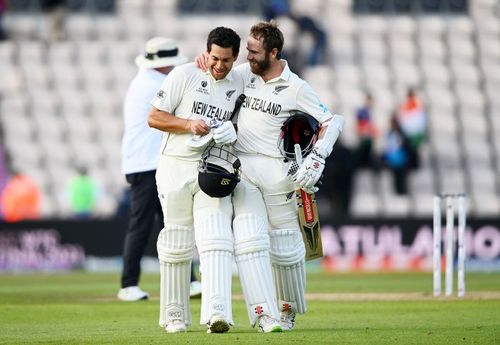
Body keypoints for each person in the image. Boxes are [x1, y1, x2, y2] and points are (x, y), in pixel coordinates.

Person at [197, 21, 344, 333]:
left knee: (287, 249)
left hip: (279, 175)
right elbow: (216, 73)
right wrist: (202, 61)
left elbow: (332, 120)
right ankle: (264, 313)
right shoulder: (243, 74)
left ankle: (288, 310)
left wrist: (318, 155)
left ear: (274, 52)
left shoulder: (296, 87)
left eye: (254, 51)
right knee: (250, 240)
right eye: (247, 50)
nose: (246, 56)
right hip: (244, 170)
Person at [147, 27, 243, 334]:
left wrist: (233, 131)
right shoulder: (184, 74)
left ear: (235, 58)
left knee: (216, 237)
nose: (219, 65)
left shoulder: (240, 80)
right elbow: (154, 117)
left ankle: (218, 310)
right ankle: (174, 314)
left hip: (211, 169)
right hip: (175, 166)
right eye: (214, 57)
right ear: (206, 52)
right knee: (177, 241)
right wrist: (188, 123)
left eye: (226, 60)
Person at [118, 37, 201, 302]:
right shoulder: (153, 83)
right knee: (143, 225)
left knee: (172, 222)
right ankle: (128, 284)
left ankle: (188, 281)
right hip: (147, 164)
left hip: (150, 162)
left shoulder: (148, 80)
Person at [396, 87, 426, 170]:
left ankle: (413, 164)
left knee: (413, 149)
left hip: (413, 131)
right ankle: (412, 164)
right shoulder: (408, 105)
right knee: (410, 148)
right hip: (411, 131)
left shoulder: (416, 105)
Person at [382, 114, 411, 195]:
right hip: (393, 161)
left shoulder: (402, 134)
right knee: (395, 179)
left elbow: (406, 147)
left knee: (402, 179)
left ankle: (402, 193)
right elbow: (387, 148)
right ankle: (397, 193)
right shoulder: (389, 134)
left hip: (401, 160)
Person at [355, 92, 379, 170]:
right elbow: (361, 123)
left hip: (369, 136)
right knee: (363, 153)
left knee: (369, 153)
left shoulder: (371, 111)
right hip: (364, 135)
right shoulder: (362, 111)